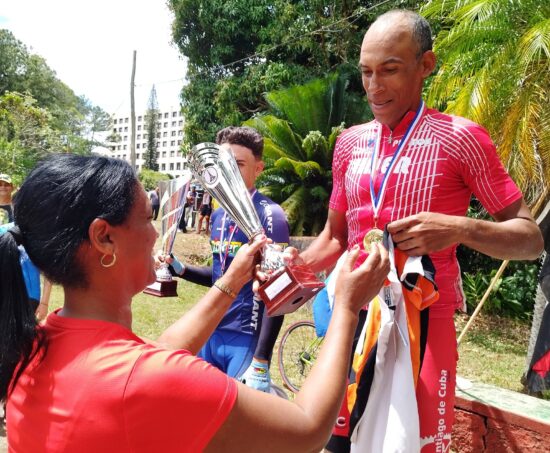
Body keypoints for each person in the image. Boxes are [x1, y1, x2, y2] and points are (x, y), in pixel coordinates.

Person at [0, 153, 390, 452]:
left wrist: (232, 280)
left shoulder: (34, 348)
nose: (156, 234)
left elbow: (155, 354)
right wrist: (347, 308)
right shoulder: (147, 381)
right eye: (147, 218)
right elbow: (307, 429)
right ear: (104, 238)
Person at [291, 9, 543, 453]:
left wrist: (459, 227)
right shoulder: (349, 143)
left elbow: (529, 238)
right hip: (353, 317)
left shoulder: (461, 139)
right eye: (366, 72)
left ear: (426, 65)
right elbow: (334, 239)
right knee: (334, 442)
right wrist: (288, 267)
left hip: (426, 322)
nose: (374, 86)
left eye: (389, 70)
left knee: (416, 446)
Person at [166, 126, 291, 392]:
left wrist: (262, 358)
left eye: (239, 164)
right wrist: (179, 268)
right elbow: (219, 275)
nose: (229, 172)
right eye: (223, 164)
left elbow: (278, 293)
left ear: (258, 169)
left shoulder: (271, 215)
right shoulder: (220, 215)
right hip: (209, 331)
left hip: (244, 339)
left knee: (239, 429)